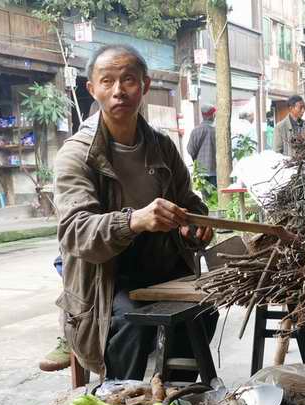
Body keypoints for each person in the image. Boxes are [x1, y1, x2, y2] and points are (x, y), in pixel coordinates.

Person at [54, 44, 217, 381]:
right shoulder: (76, 155)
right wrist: (134, 220)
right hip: (106, 278)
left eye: (128, 80)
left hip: (160, 267)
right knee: (131, 321)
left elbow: (188, 200)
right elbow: (76, 231)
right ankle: (121, 400)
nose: (118, 91)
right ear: (92, 89)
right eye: (107, 81)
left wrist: (194, 224)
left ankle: (173, 396)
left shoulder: (161, 146)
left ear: (145, 85)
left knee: (204, 309)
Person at [187, 104, 217, 191]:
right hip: (215, 171)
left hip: (200, 172)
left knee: (205, 199)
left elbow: (190, 150)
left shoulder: (195, 131)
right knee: (215, 199)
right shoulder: (216, 130)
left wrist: (197, 159)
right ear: (212, 115)